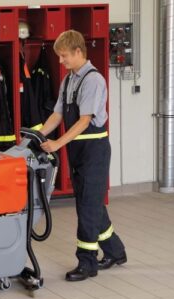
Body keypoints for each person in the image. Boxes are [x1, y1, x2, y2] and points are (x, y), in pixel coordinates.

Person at [40, 30, 127, 281]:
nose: (60, 61)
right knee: (91, 203)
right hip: (78, 150)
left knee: (87, 207)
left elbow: (84, 121)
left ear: (78, 52)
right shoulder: (69, 80)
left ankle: (87, 263)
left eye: (64, 56)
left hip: (94, 151)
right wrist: (36, 136)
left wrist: (57, 143)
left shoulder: (92, 80)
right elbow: (57, 114)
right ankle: (115, 251)